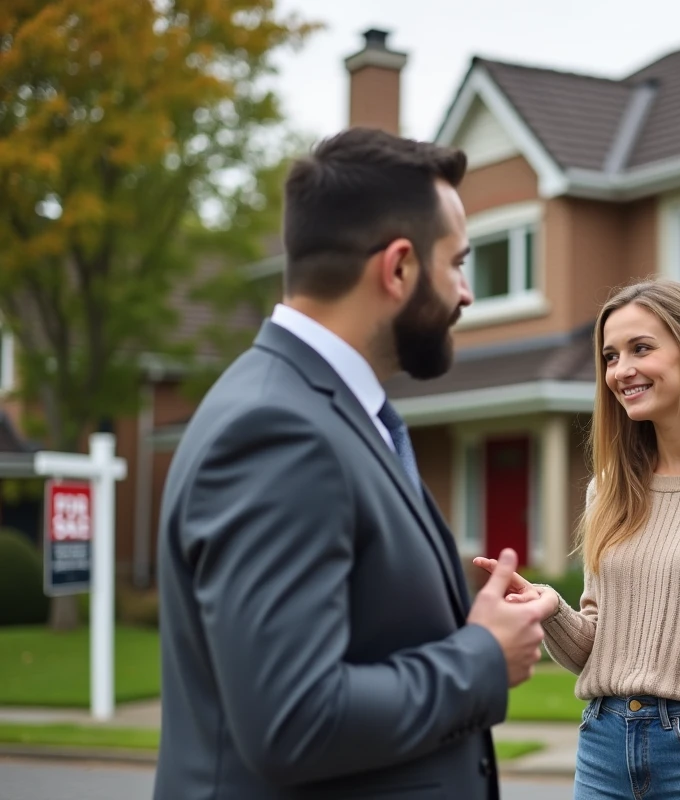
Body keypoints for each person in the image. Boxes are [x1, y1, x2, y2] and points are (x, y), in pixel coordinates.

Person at [153, 128, 557, 800]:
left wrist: (464, 622)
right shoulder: (277, 431)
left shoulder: (329, 414)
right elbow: (294, 720)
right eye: (457, 263)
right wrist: (482, 655)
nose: (467, 295)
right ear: (397, 268)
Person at [475, 279, 680, 800]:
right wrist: (550, 609)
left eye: (641, 348)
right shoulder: (608, 488)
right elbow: (598, 647)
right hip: (602, 748)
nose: (620, 370)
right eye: (609, 355)